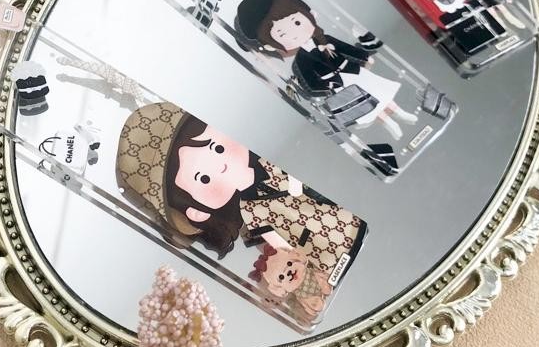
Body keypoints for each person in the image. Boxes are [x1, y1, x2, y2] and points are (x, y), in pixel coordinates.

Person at [116, 102, 367, 291]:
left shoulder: (269, 164)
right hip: (314, 244)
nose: (221, 166)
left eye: (217, 147)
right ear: (197, 213)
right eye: (203, 178)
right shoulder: (250, 212)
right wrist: (298, 261)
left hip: (333, 211)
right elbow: (276, 240)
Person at [235, 0, 418, 140]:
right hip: (338, 86)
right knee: (367, 107)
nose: (294, 33)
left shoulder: (325, 40)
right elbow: (310, 82)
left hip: (353, 71)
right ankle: (390, 123)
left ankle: (400, 112)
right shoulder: (300, 61)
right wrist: (324, 90)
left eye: (296, 22)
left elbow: (345, 49)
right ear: (271, 46)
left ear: (309, 14)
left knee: (379, 93)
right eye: (282, 34)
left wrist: (363, 56)